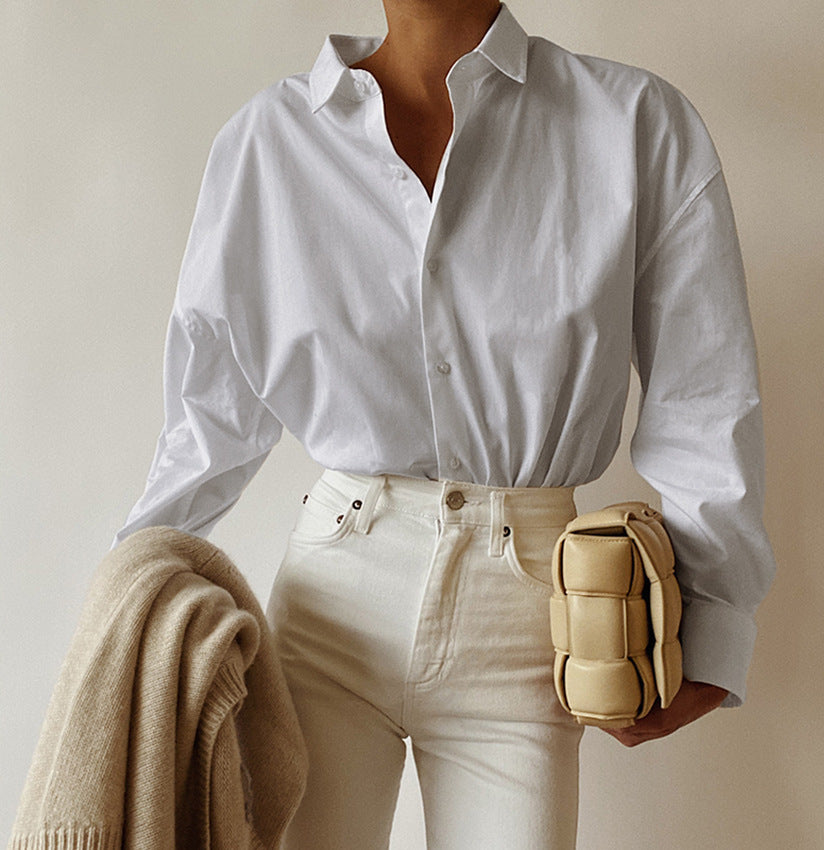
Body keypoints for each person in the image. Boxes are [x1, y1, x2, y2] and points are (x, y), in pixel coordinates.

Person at [112, 1, 777, 847]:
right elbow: (210, 416)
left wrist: (712, 618)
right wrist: (125, 599)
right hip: (331, 602)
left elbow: (703, 388)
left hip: (533, 617)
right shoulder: (268, 142)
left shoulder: (635, 123)